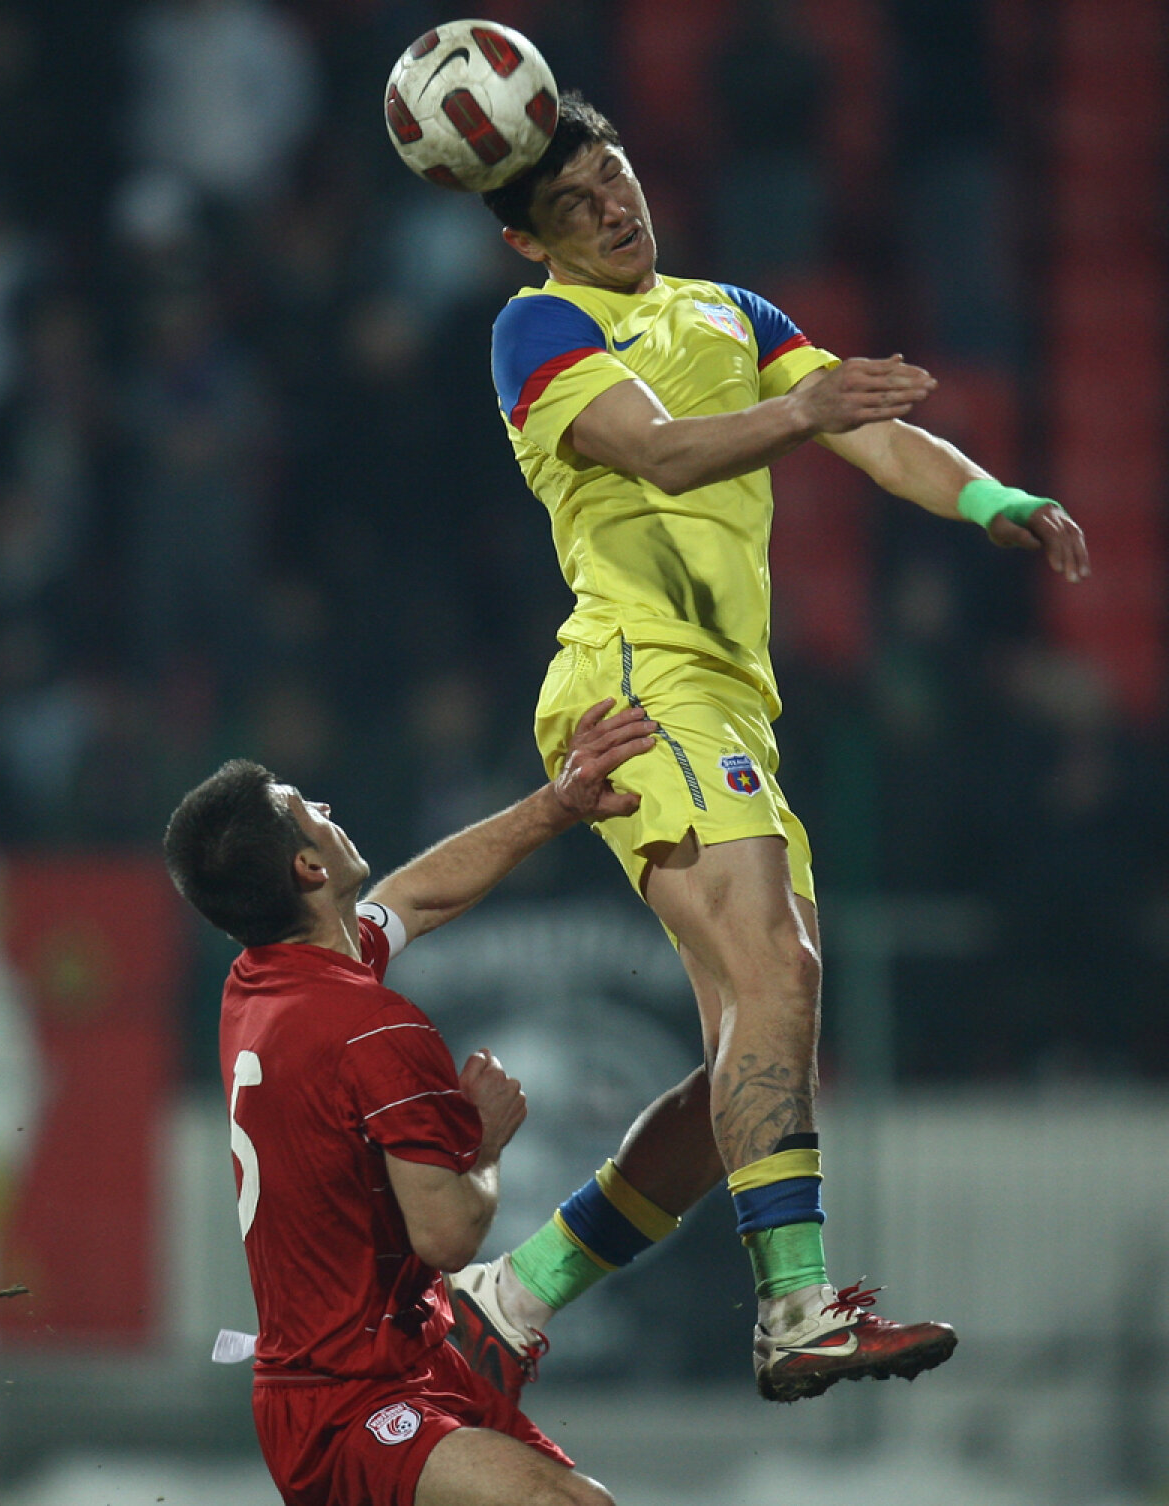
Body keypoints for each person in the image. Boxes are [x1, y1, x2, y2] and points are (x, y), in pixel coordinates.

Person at [441, 91, 1090, 1407]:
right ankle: (797, 1309)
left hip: (732, 703)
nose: (612, 208)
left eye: (615, 176)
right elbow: (664, 454)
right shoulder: (542, 329)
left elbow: (866, 428)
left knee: (754, 1049)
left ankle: (511, 1295)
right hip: (636, 683)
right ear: (529, 241)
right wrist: (807, 414)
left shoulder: (732, 312)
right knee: (779, 969)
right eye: (571, 206)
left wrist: (989, 496)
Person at [162, 698, 657, 1506]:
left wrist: (557, 804)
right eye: (308, 811)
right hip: (350, 1400)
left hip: (383, 1370)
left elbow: (419, 896)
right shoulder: (372, 1028)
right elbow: (448, 1234)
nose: (327, 808)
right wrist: (485, 1144)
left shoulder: (260, 982)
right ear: (309, 868)